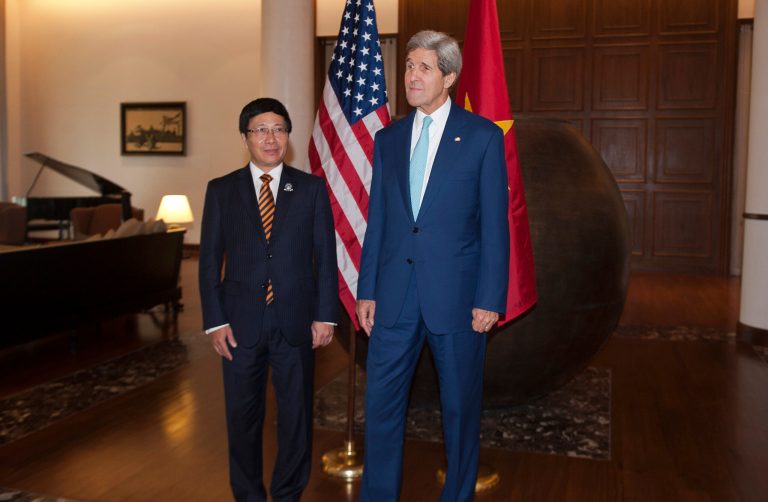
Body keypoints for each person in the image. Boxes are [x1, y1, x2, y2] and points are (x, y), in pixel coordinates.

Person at [356, 30, 510, 502]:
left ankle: (458, 495)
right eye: (408, 67)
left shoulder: (483, 137)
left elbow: (495, 226)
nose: (412, 76)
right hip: (394, 294)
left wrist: (490, 297)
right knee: (380, 407)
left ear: (449, 77)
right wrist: (367, 288)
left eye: (424, 67)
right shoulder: (389, 138)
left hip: (458, 300)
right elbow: (378, 219)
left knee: (460, 410)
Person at [199, 97, 338, 502]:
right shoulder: (221, 190)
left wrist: (325, 315)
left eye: (278, 128)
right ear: (245, 137)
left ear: (288, 136)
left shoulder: (310, 189)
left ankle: (288, 493)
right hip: (238, 326)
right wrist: (214, 321)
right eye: (260, 129)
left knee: (296, 418)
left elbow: (325, 257)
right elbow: (208, 263)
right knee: (242, 418)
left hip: (296, 322)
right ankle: (247, 495)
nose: (270, 137)